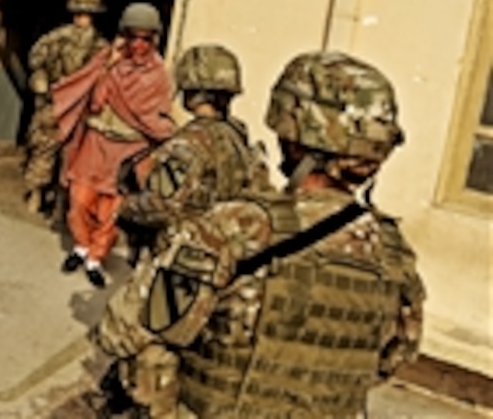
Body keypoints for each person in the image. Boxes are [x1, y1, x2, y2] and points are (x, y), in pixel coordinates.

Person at [92, 50, 424, 418]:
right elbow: (392, 357)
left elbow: (121, 331)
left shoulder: (236, 230)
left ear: (292, 135)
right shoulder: (394, 252)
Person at [53, 3, 175, 288]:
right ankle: (81, 246)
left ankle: (95, 258)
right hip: (96, 141)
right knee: (79, 200)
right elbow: (89, 97)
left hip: (127, 149)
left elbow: (157, 118)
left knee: (110, 212)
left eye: (146, 38)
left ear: (154, 39)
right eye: (133, 36)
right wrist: (106, 68)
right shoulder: (109, 60)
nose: (139, 44)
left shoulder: (158, 75)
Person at [117, 44, 271, 263]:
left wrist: (123, 206)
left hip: (183, 258)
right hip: (224, 252)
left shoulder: (188, 143)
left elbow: (161, 207)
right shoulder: (237, 134)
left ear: (192, 91)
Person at [22, 0, 109, 216]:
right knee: (71, 157)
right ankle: (58, 204)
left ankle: (37, 197)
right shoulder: (102, 47)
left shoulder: (53, 38)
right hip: (78, 109)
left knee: (44, 151)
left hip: (56, 104)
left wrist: (44, 88)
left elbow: (35, 63)